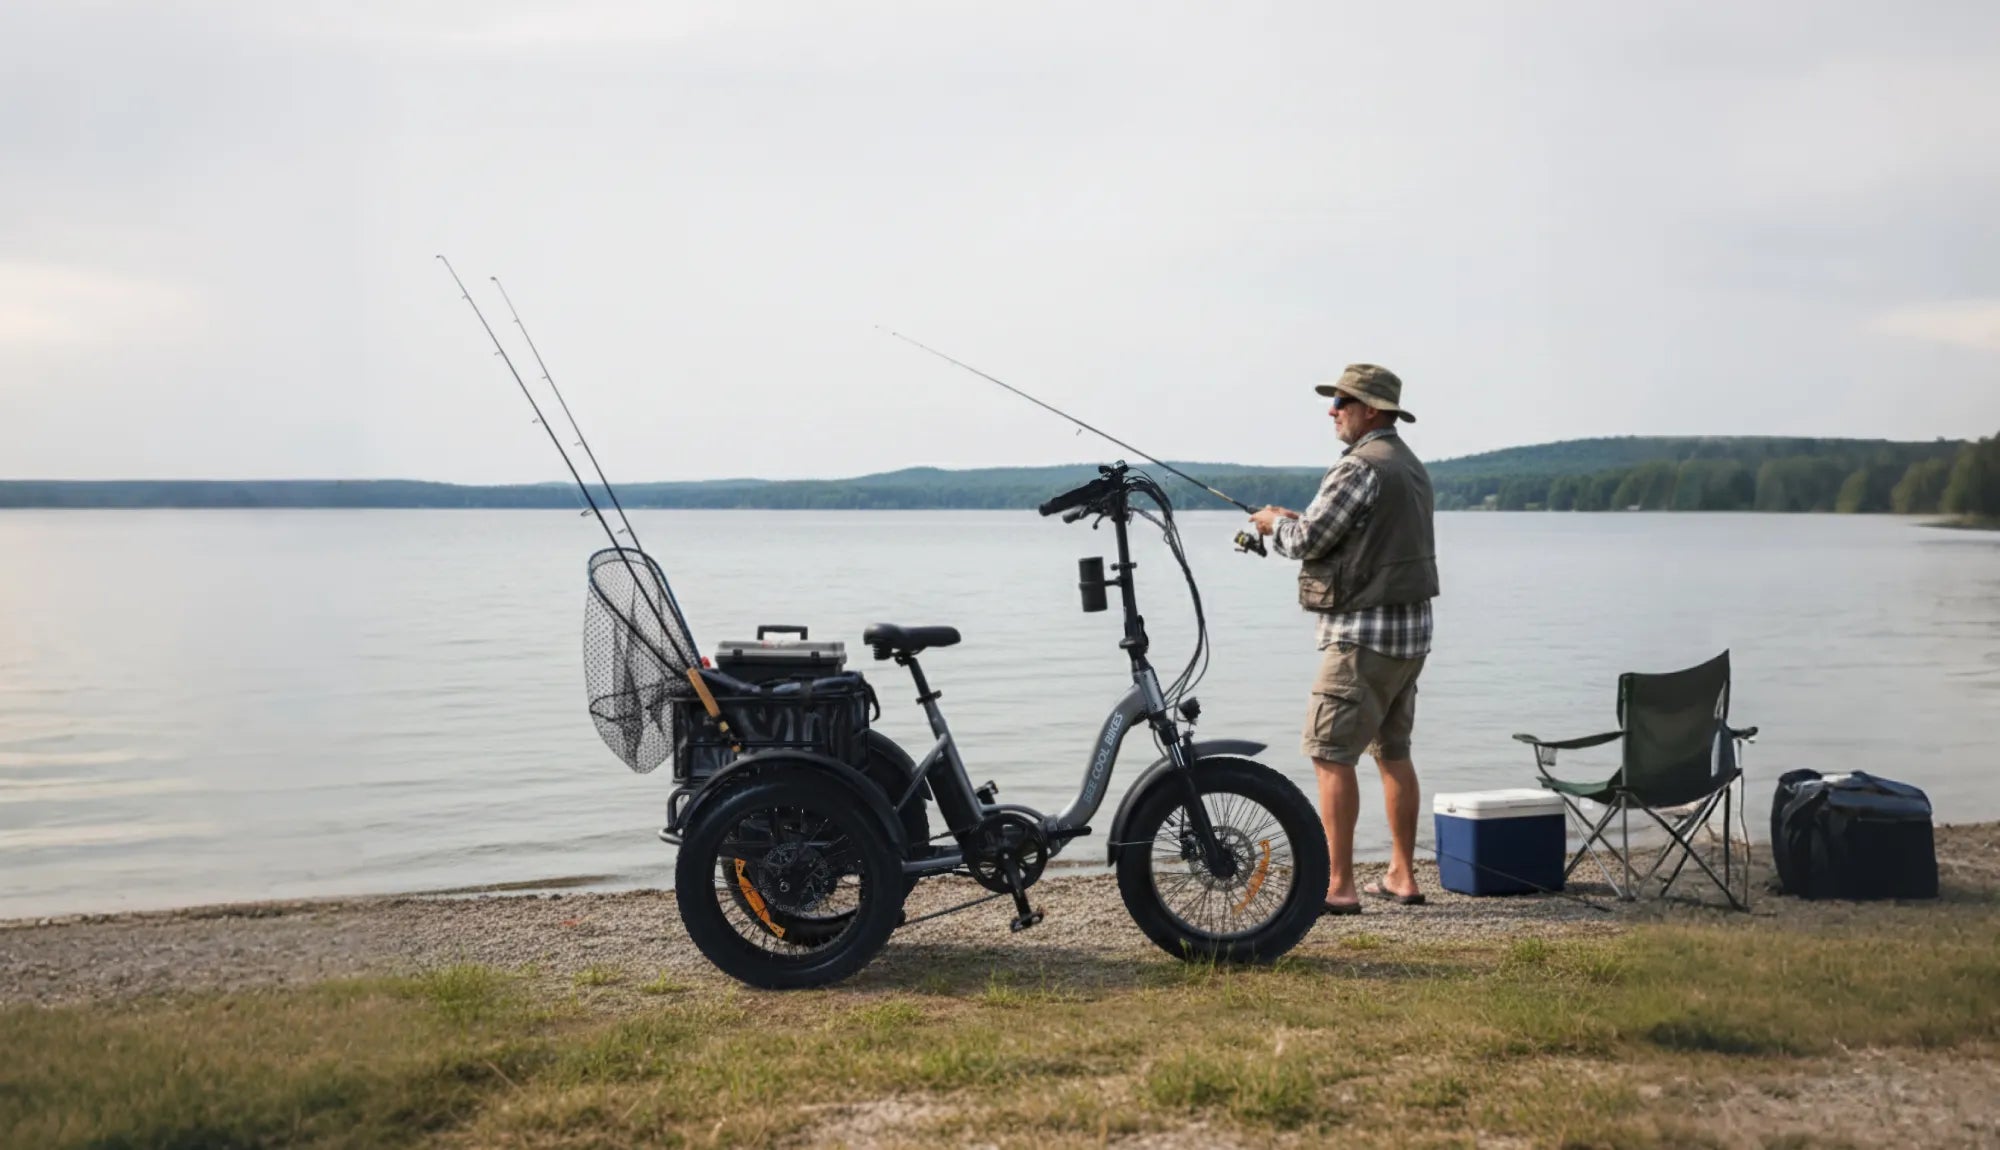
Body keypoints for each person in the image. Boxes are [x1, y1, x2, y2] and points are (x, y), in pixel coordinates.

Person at [1248, 364, 1438, 914]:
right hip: (1409, 637)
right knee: (1393, 752)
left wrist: (1272, 524)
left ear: (1372, 410)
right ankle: (1402, 874)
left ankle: (1338, 886)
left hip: (1361, 638)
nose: (1332, 410)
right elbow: (1359, 535)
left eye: (1342, 402)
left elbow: (1308, 539)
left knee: (1330, 755)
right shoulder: (1411, 466)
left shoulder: (1357, 468)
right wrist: (1294, 518)